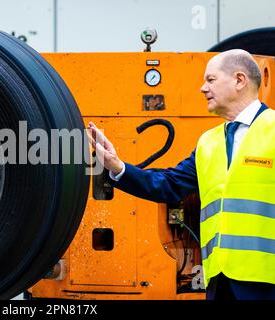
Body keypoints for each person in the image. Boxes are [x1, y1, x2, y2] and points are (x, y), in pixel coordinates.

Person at [87, 49, 275, 300]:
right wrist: (117, 167)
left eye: (211, 80)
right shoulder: (209, 142)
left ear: (239, 80)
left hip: (266, 281)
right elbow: (169, 185)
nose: (202, 88)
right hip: (219, 282)